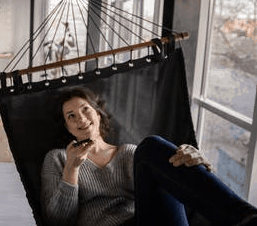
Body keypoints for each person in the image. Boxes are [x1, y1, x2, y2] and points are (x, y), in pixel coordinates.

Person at [41, 86, 257, 226]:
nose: (80, 118)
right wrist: (72, 169)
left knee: (151, 147)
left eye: (85, 109)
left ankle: (246, 218)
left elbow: (172, 194)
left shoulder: (130, 154)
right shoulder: (58, 158)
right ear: (67, 127)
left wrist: (196, 163)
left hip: (148, 222)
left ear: (98, 113)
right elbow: (58, 222)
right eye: (71, 116)